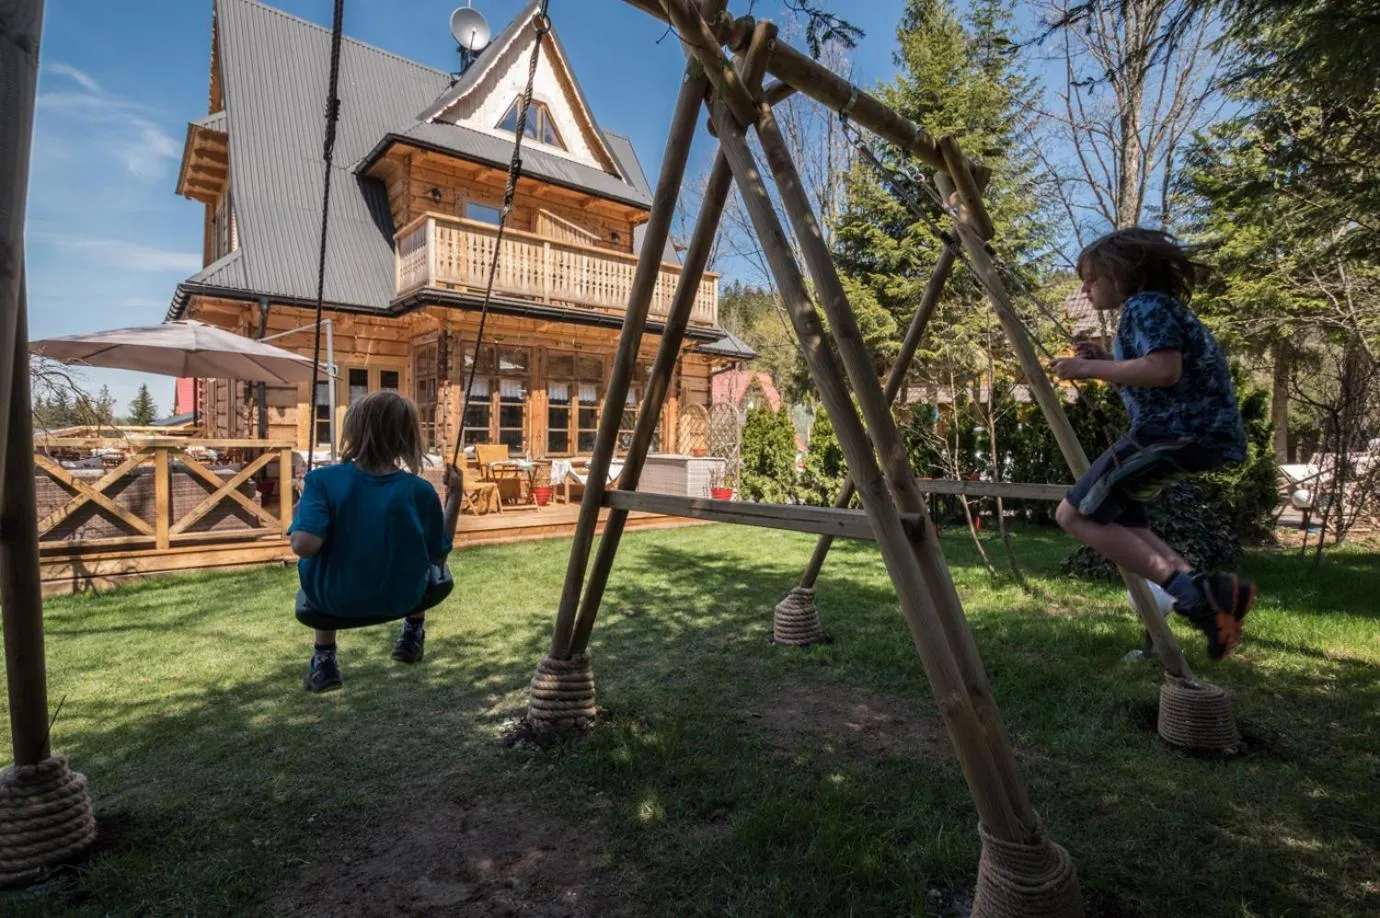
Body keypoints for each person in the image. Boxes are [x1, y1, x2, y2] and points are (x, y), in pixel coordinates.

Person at [1050, 227, 1255, 661]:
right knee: (1126, 522)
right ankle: (1214, 599)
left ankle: (1196, 594)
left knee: (1072, 514)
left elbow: (1163, 371)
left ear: (1125, 273)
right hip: (1195, 434)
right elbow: (1155, 371)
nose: (1085, 289)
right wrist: (1108, 361)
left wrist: (1086, 372)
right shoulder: (1158, 309)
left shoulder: (1145, 306)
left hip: (1171, 433)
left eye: (1092, 279)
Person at [288, 391, 461, 692]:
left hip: (334, 601)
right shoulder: (420, 491)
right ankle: (412, 632)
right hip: (403, 597)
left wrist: (302, 517)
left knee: (324, 565)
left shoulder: (322, 481)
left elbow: (304, 546)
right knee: (417, 551)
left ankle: (325, 659)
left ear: (353, 430)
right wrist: (455, 497)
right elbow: (438, 557)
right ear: (407, 437)